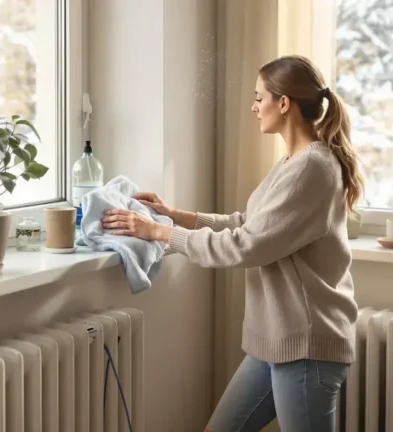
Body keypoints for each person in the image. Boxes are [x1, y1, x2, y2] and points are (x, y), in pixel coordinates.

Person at [101, 55, 362, 431]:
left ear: (283, 103)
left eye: (259, 98)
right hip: (278, 341)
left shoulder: (311, 168)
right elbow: (250, 225)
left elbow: (244, 246)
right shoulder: (295, 161)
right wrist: (174, 215)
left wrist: (157, 232)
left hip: (307, 347)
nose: (254, 107)